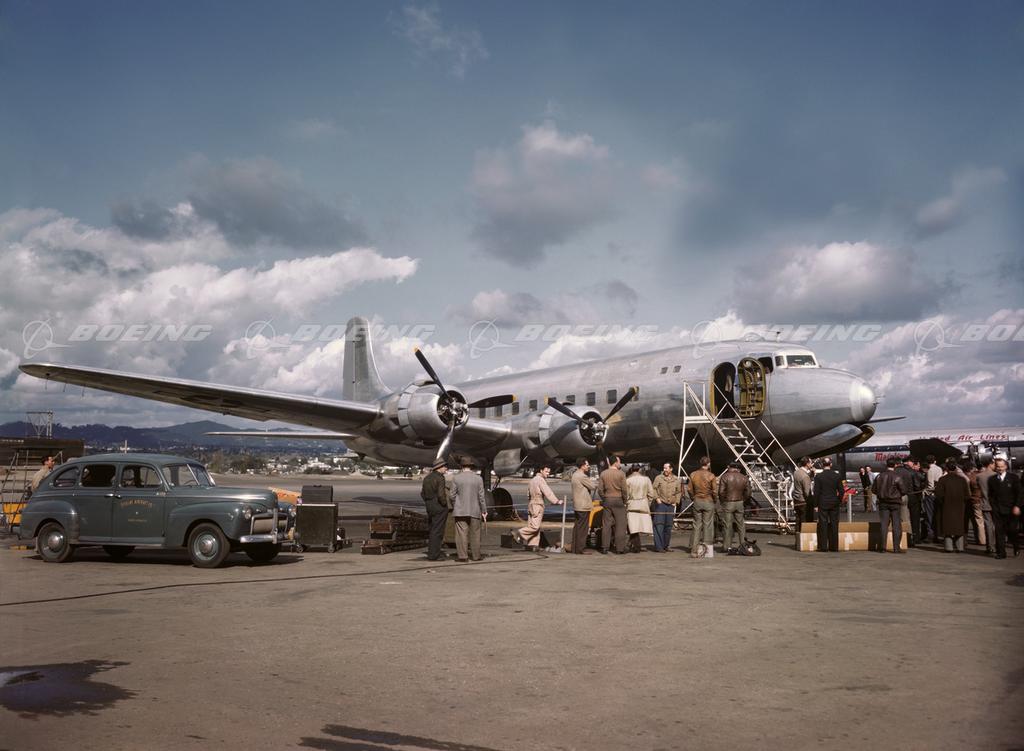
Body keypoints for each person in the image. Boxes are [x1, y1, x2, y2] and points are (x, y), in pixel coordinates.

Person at [450, 458, 487, 562]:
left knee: (461, 534)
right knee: (475, 534)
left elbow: (452, 495)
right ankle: (476, 556)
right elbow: (481, 497)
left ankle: (463, 556)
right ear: (471, 466)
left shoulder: (456, 478)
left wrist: (455, 505)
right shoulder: (478, 479)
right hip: (475, 510)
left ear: (461, 466)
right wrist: (484, 510)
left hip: (460, 510)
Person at [518, 465, 562, 550]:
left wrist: (531, 502)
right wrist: (556, 501)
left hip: (531, 504)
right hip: (538, 504)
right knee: (535, 527)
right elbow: (547, 492)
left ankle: (532, 545)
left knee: (533, 525)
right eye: (546, 471)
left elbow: (528, 494)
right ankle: (519, 533)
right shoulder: (540, 480)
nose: (548, 473)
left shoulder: (533, 480)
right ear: (541, 470)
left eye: (549, 472)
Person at [987, 458, 1022, 559]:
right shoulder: (992, 479)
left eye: (1002, 466)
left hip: (1012, 509)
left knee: (1012, 530)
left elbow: (1019, 493)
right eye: (998, 467)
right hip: (998, 509)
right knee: (999, 531)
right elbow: (991, 495)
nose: (1000, 469)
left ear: (1006, 466)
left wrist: (1017, 506)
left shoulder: (1014, 478)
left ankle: (1016, 546)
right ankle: (1001, 553)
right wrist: (993, 506)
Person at [935, 458, 970, 552]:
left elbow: (938, 494)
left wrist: (943, 502)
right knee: (959, 526)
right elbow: (967, 495)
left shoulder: (942, 480)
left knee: (947, 527)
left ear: (946, 469)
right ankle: (960, 547)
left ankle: (948, 547)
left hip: (946, 506)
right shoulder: (962, 480)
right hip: (960, 506)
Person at [872, 457, 907, 553]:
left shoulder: (879, 476)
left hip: (883, 503)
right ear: (895, 465)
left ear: (886, 465)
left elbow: (873, 490)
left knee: (884, 525)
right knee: (896, 525)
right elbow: (903, 490)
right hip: (895, 503)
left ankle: (882, 547)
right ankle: (896, 548)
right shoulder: (897, 477)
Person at [812, 457, 845, 552]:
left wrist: (815, 505)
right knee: (834, 524)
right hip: (834, 502)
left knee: (823, 524)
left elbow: (816, 492)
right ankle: (834, 547)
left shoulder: (819, 477)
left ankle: (823, 547)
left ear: (822, 465)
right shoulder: (837, 476)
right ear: (831, 464)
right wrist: (838, 500)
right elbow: (841, 491)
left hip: (823, 502)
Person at [420, 460, 450, 561]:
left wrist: (428, 502)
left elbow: (422, 493)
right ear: (439, 467)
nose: (446, 469)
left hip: (429, 505)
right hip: (439, 506)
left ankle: (432, 552)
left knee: (432, 529)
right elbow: (441, 495)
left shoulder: (427, 478)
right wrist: (444, 504)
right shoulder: (440, 478)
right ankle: (434, 555)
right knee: (438, 531)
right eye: (445, 467)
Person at [688, 456, 718, 558]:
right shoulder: (711, 475)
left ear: (700, 463)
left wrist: (694, 498)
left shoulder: (693, 474)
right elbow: (714, 491)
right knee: (708, 525)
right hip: (708, 501)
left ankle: (694, 550)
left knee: (696, 525)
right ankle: (707, 551)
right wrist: (715, 500)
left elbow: (689, 489)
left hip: (697, 501)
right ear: (708, 464)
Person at [598, 456, 628, 554]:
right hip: (618, 500)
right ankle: (620, 548)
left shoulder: (603, 473)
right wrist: (625, 500)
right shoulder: (621, 474)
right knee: (620, 525)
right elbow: (624, 490)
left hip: (607, 500)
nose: (620, 464)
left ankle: (605, 547)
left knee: (606, 525)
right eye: (619, 462)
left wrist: (604, 498)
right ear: (615, 462)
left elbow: (600, 490)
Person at [717, 462, 750, 552]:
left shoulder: (725, 477)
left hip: (728, 502)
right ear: (738, 468)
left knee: (727, 525)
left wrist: (723, 501)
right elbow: (748, 492)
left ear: (730, 467)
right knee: (741, 525)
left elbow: (721, 492)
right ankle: (743, 545)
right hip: (739, 502)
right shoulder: (744, 477)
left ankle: (726, 546)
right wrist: (743, 499)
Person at [651, 462, 681, 553]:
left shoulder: (676, 479)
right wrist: (657, 498)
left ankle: (666, 545)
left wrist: (676, 501)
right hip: (661, 505)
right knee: (659, 525)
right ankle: (659, 547)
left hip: (670, 505)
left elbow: (679, 492)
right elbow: (654, 488)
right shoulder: (659, 478)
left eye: (666, 468)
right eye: (664, 468)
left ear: (671, 469)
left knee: (668, 526)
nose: (664, 470)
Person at [625, 464, 655, 553]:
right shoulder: (646, 479)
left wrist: (627, 503)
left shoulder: (628, 480)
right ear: (639, 470)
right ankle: (635, 545)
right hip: (643, 504)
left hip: (632, 504)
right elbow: (651, 494)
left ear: (631, 470)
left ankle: (634, 545)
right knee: (640, 526)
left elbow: (626, 495)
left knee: (633, 527)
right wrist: (648, 503)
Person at [570, 458, 596, 554]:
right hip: (583, 505)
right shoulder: (582, 476)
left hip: (578, 505)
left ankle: (575, 548)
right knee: (583, 529)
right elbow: (593, 486)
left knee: (577, 527)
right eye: (587, 465)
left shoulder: (575, 475)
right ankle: (580, 548)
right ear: (582, 466)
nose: (588, 466)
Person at [894, 457, 921, 547]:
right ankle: (914, 538)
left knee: (900, 518)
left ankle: (901, 539)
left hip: (899, 496)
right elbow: (917, 485)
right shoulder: (912, 472)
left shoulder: (895, 471)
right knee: (914, 518)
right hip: (912, 496)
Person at [977, 457, 997, 555]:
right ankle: (999, 545)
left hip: (985, 503)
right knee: (997, 525)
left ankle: (990, 547)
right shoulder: (996, 475)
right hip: (997, 504)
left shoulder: (979, 476)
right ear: (990, 464)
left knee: (988, 525)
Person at [963, 459, 985, 548]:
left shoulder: (965, 477)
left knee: (966, 520)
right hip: (978, 500)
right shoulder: (977, 476)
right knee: (978, 521)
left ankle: (965, 540)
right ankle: (981, 539)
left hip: (969, 501)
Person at [791, 457, 813, 542]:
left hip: (796, 499)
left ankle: (797, 540)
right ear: (807, 464)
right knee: (804, 521)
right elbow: (807, 492)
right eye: (810, 463)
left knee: (798, 520)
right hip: (803, 501)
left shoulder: (796, 472)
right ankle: (804, 541)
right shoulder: (805, 476)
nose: (811, 464)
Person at [923, 454, 943, 542]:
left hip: (931, 495)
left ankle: (930, 534)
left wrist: (925, 491)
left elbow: (930, 485)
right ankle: (937, 534)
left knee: (929, 515)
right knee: (936, 515)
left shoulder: (930, 470)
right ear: (935, 461)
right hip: (938, 494)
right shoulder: (939, 469)